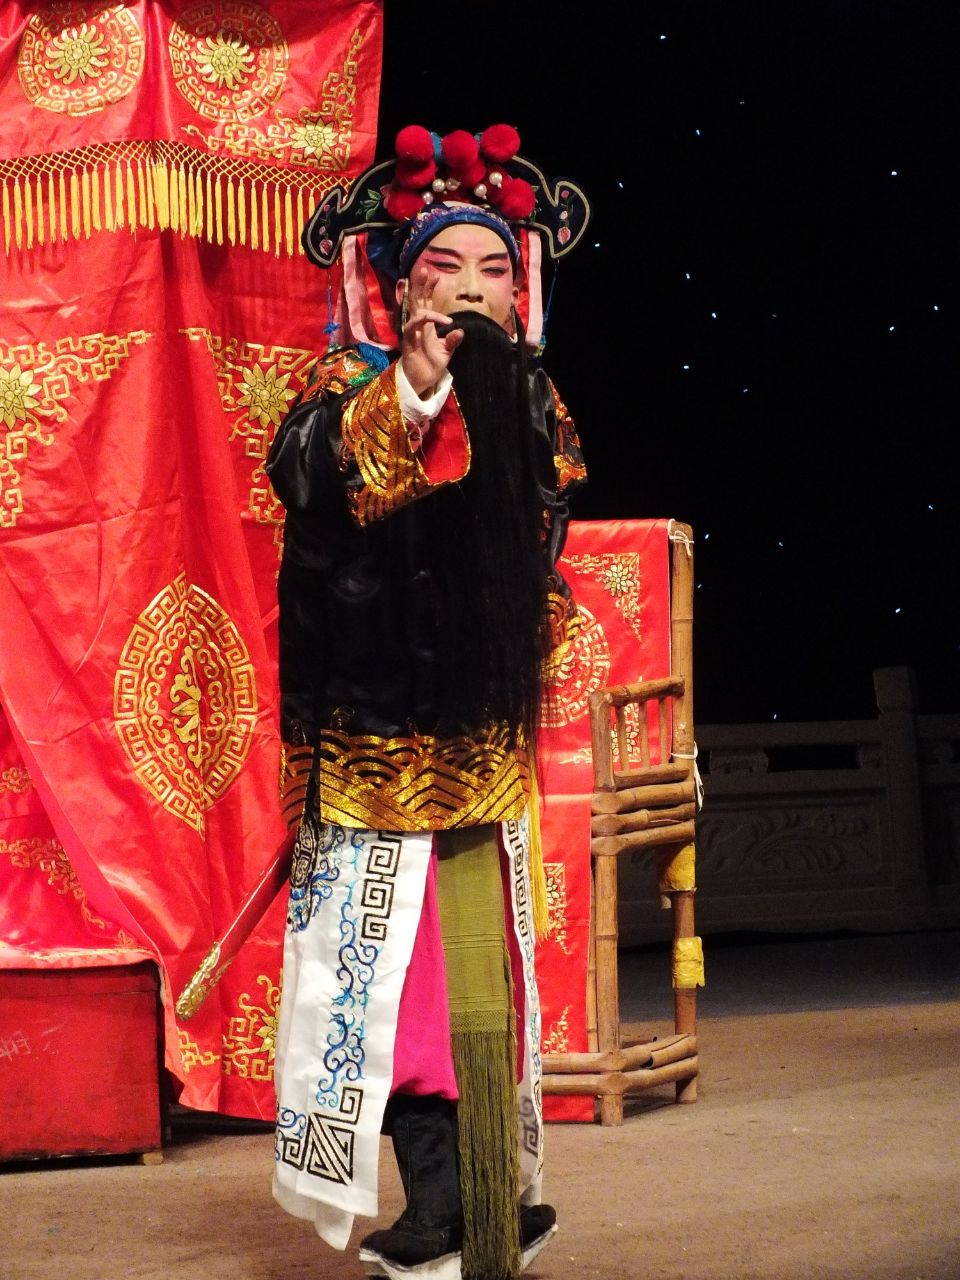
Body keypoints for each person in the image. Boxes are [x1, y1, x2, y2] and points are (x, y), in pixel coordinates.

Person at [266, 124, 590, 1280]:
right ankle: (437, 1198)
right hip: (371, 736)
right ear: (402, 289)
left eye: (493, 269)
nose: (468, 289)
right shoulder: (342, 385)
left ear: (519, 290)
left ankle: (492, 1198)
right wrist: (411, 391)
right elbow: (307, 475)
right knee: (384, 983)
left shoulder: (529, 395)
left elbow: (546, 522)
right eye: (443, 267)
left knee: (478, 975)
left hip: (480, 741)